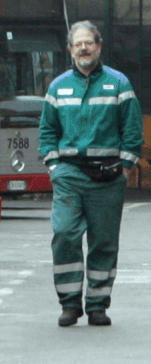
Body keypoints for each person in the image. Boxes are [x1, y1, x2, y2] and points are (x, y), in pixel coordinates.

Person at [39, 20, 143, 327]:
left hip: (108, 177)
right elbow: (47, 131)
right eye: (77, 44)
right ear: (70, 50)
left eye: (89, 43)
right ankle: (69, 304)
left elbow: (133, 130)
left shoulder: (119, 84)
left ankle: (98, 305)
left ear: (98, 46)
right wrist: (55, 167)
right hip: (69, 174)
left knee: (104, 241)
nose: (84, 48)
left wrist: (124, 167)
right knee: (65, 234)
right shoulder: (58, 87)